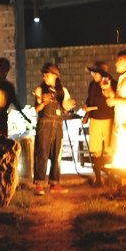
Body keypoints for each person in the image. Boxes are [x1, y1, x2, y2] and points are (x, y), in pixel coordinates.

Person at [32, 63, 76, 195]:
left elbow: (66, 108)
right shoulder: (40, 90)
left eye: (47, 74)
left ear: (55, 75)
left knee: (57, 155)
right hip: (44, 125)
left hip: (58, 125)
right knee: (42, 154)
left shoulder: (63, 91)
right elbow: (37, 108)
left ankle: (54, 183)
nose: (44, 77)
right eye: (43, 75)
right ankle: (39, 184)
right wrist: (43, 103)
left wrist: (69, 105)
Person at [82, 61, 117, 187]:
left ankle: (112, 177)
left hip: (108, 118)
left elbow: (114, 99)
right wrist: (86, 111)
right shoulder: (92, 85)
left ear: (102, 74)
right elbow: (90, 99)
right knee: (95, 150)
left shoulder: (111, 83)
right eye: (92, 73)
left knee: (109, 150)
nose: (93, 75)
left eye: (95, 73)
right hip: (95, 119)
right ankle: (98, 179)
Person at [102, 49, 126, 147]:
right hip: (119, 121)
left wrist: (115, 101)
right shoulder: (121, 78)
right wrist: (107, 88)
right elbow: (115, 97)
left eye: (118, 61)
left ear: (124, 61)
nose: (115, 64)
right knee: (116, 152)